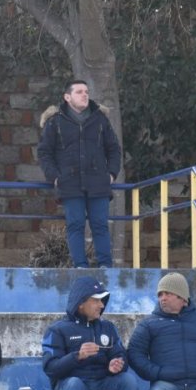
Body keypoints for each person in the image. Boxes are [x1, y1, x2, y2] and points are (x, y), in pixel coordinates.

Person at [42, 276, 139, 390]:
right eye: (96, 300)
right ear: (80, 303)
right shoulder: (56, 330)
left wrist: (116, 366)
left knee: (128, 381)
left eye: (102, 300)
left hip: (103, 384)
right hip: (71, 387)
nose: (102, 305)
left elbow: (121, 355)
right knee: (74, 383)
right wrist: (77, 356)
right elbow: (50, 368)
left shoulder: (107, 328)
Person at [37, 80, 121, 268]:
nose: (85, 95)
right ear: (67, 97)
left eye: (86, 91)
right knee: (75, 225)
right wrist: (55, 177)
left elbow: (114, 149)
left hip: (98, 182)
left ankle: (106, 267)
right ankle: (80, 266)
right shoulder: (55, 121)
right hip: (69, 183)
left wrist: (111, 174)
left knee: (100, 225)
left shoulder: (100, 119)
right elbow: (44, 152)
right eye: (79, 92)